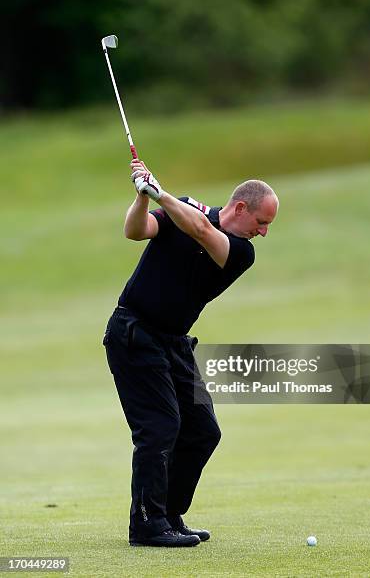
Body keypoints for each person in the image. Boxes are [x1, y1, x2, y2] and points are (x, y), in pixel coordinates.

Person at [103, 159, 279, 547]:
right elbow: (136, 231)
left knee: (202, 430)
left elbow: (200, 230)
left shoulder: (239, 251)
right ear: (240, 207)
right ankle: (147, 525)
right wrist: (142, 197)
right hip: (133, 333)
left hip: (174, 342)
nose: (264, 232)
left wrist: (159, 192)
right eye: (262, 222)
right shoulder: (185, 207)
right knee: (160, 427)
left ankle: (168, 514)